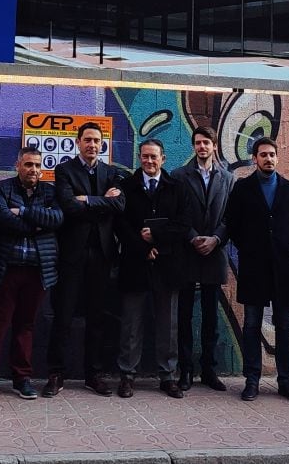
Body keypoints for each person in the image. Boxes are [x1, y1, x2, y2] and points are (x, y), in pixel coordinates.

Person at [0, 147, 63, 402]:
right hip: (5, 269)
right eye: (28, 164)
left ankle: (22, 379)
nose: (33, 169)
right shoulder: (3, 189)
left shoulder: (49, 191)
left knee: (26, 325)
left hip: (37, 271)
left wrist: (21, 212)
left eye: (37, 165)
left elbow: (56, 219)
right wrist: (37, 224)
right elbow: (0, 217)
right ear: (17, 165)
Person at [44, 121, 125, 397]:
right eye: (87, 140)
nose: (92, 145)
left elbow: (119, 205)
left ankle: (94, 374)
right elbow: (68, 206)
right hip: (72, 255)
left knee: (98, 318)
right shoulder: (65, 170)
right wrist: (102, 201)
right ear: (78, 142)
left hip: (102, 255)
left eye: (96, 140)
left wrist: (88, 201)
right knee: (63, 316)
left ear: (102, 144)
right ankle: (56, 374)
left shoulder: (111, 172)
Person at [224, 136, 289, 403]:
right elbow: (232, 223)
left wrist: (280, 245)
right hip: (253, 267)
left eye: (271, 154)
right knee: (252, 325)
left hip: (282, 268)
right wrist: (249, 246)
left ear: (277, 158)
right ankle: (252, 380)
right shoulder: (242, 189)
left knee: (284, 327)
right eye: (263, 155)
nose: (268, 159)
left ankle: (286, 381)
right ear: (254, 159)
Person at [116, 139, 188, 399]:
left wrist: (155, 236)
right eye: (145, 157)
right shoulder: (126, 187)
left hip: (167, 266)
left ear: (163, 159)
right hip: (135, 263)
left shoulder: (177, 188)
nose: (149, 161)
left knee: (168, 324)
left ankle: (167, 376)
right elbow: (120, 225)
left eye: (154, 157)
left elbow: (183, 224)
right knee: (131, 324)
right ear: (139, 157)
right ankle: (127, 375)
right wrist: (142, 246)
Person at [171, 125, 233, 392]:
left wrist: (216, 239)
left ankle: (209, 370)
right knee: (184, 315)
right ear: (193, 146)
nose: (202, 147)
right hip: (188, 252)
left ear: (214, 146)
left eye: (206, 142)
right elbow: (175, 214)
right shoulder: (179, 176)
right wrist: (193, 237)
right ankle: (185, 370)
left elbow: (231, 217)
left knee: (211, 317)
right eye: (198, 142)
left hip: (214, 253)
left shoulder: (229, 179)